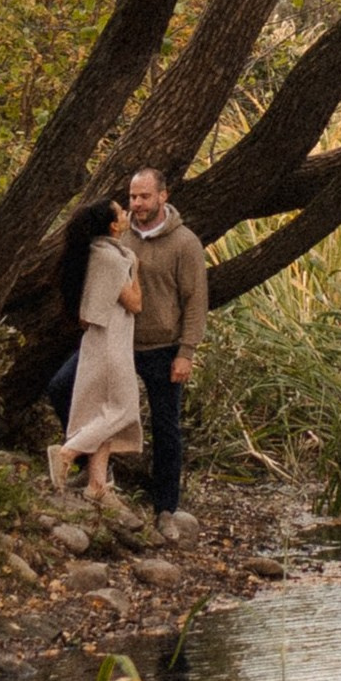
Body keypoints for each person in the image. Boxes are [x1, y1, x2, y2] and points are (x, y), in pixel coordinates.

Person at [124, 164, 208, 521]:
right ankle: (97, 474)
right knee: (64, 386)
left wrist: (186, 352)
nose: (137, 203)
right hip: (119, 343)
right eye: (132, 197)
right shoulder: (119, 234)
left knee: (166, 429)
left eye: (144, 196)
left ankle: (166, 510)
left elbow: (196, 301)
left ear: (163, 196)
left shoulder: (184, 243)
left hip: (163, 348)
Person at [46, 199, 143, 506]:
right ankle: (67, 452)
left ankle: (97, 485)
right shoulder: (113, 260)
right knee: (123, 409)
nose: (127, 213)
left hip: (97, 342)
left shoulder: (96, 253)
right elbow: (135, 303)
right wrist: (136, 268)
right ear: (113, 225)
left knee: (101, 411)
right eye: (121, 212)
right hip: (111, 343)